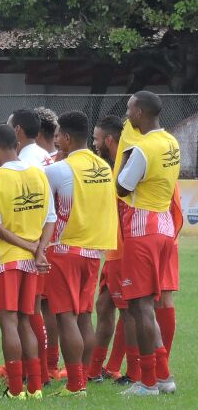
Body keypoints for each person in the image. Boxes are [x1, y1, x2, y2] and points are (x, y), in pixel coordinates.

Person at [0, 123, 57, 399]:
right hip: (33, 261)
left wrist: (30, 248)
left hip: (6, 260)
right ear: (18, 146)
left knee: (9, 323)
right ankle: (34, 387)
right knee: (26, 321)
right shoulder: (39, 174)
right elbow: (50, 220)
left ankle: (14, 389)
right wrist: (39, 250)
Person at [42, 111, 117, 395]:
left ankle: (74, 386)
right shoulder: (103, 167)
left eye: (59, 135)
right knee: (84, 316)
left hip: (64, 250)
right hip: (92, 251)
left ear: (68, 137)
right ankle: (82, 378)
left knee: (65, 318)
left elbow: (45, 213)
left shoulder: (58, 170)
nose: (57, 139)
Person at [115, 90, 180, 395]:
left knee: (140, 307)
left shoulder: (142, 148)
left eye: (129, 110)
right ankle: (163, 376)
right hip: (165, 227)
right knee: (149, 306)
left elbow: (123, 186)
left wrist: (125, 158)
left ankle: (149, 381)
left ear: (140, 113)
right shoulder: (171, 141)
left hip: (143, 230)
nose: (127, 115)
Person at [87, 115, 138, 383]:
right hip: (112, 249)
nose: (94, 144)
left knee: (130, 311)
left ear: (108, 140)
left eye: (96, 139)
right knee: (104, 305)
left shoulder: (128, 165)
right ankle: (95, 369)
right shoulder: (116, 165)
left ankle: (135, 373)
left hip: (126, 250)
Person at [9, 107, 57, 381]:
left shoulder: (26, 161)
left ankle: (36, 370)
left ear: (17, 130)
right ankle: (44, 367)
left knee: (29, 311)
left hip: (30, 243)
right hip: (45, 241)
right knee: (39, 308)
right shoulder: (43, 155)